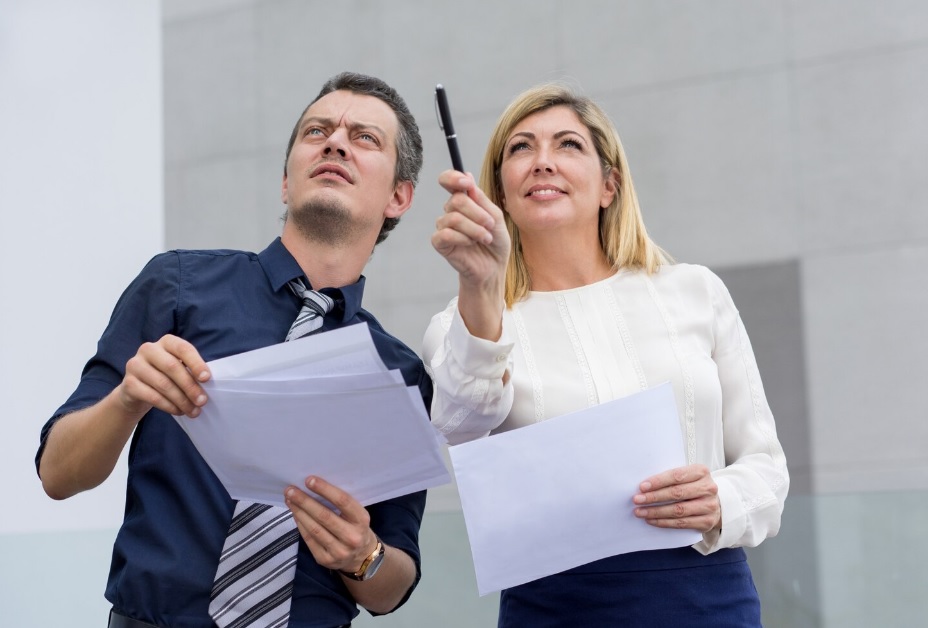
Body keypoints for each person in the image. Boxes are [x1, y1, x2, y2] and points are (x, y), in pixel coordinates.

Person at [37, 72, 432, 628]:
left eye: (365, 138)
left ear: (399, 196)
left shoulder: (400, 372)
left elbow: (391, 587)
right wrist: (128, 397)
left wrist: (362, 556)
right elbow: (57, 474)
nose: (336, 142)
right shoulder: (175, 285)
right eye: (317, 130)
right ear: (286, 182)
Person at [424, 83, 789, 626]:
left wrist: (719, 500)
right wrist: (480, 288)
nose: (542, 161)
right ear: (498, 193)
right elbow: (457, 423)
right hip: (554, 606)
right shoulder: (464, 320)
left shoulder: (695, 291)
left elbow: (766, 467)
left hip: (706, 597)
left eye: (567, 145)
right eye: (520, 148)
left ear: (609, 185)